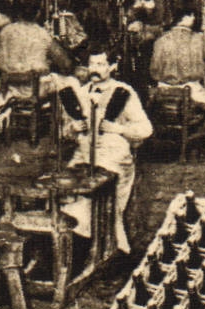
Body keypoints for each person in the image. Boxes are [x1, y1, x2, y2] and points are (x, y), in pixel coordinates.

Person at [59, 44, 152, 260]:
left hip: (114, 154)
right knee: (67, 189)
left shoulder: (124, 93)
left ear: (112, 66)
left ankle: (112, 250)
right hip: (84, 153)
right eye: (92, 64)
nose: (95, 69)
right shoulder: (80, 94)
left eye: (101, 64)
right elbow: (64, 132)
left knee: (98, 192)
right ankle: (76, 246)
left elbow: (146, 129)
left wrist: (118, 129)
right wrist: (72, 128)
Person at [0, 0, 73, 94]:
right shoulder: (42, 34)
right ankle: (86, 109)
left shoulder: (5, 31)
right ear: (38, 14)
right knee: (72, 82)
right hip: (34, 88)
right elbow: (65, 63)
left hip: (9, 87)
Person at [148, 6, 205, 108]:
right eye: (192, 16)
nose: (194, 19)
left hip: (164, 92)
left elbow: (154, 70)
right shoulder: (198, 39)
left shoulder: (161, 40)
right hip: (193, 91)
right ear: (187, 17)